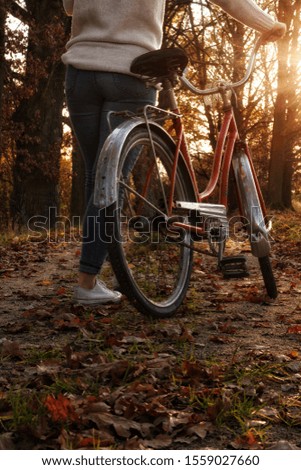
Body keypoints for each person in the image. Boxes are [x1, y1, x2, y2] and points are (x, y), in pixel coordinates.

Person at [62, 0, 286, 306]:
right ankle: (87, 283)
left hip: (80, 73)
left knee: (97, 176)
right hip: (131, 71)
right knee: (112, 180)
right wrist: (268, 25)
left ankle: (89, 276)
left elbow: (70, 7)